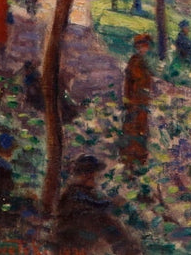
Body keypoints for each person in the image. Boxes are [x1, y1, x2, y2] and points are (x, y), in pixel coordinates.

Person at [54, 154, 143, 255]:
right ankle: (128, 250)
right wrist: (112, 203)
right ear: (87, 175)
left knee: (110, 222)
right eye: (94, 173)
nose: (96, 177)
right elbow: (93, 204)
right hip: (72, 234)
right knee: (106, 222)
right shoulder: (74, 191)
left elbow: (97, 202)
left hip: (83, 231)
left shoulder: (86, 191)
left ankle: (129, 249)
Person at [122, 33, 153, 171]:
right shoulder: (135, 61)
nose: (144, 48)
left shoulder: (142, 61)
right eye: (142, 46)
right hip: (135, 101)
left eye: (146, 46)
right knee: (134, 128)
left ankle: (139, 158)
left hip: (141, 102)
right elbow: (134, 82)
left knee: (141, 128)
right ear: (138, 47)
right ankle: (131, 159)